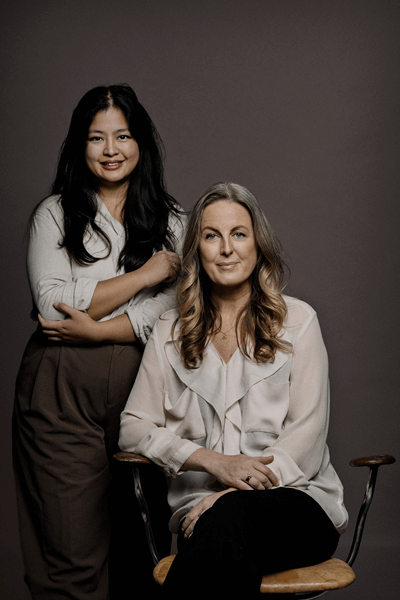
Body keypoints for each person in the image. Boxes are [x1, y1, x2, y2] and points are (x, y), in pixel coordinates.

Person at [119, 182, 349, 598]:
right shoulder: (169, 331)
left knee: (228, 525)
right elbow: (133, 428)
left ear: (258, 245)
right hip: (203, 517)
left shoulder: (299, 322)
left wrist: (228, 496)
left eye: (239, 234)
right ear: (197, 250)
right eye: (212, 236)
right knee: (227, 551)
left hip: (297, 506)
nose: (226, 249)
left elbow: (307, 437)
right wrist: (214, 462)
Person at [13, 84, 186, 600]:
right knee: (70, 550)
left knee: (144, 547)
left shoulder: (173, 220)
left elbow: (173, 309)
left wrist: (98, 326)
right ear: (79, 144)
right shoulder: (53, 214)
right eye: (96, 137)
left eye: (123, 136)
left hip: (147, 391)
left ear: (141, 143)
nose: (111, 150)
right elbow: (51, 305)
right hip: (60, 393)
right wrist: (145, 274)